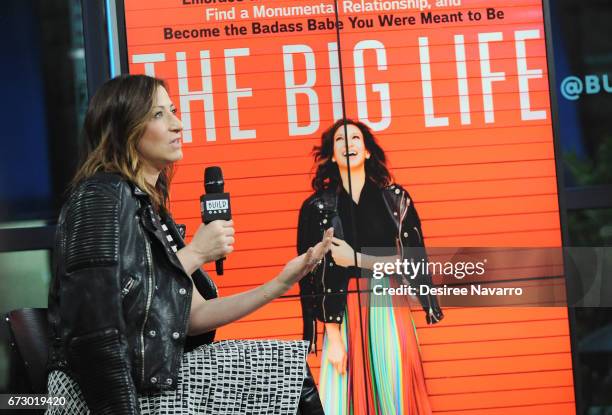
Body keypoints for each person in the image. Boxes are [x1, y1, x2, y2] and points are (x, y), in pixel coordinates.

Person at [46, 74, 333, 415]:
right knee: (288, 374)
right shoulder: (100, 197)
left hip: (153, 374)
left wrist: (282, 283)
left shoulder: (150, 210)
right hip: (109, 391)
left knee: (286, 368)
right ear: (123, 129)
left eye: (174, 111)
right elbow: (95, 324)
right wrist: (195, 253)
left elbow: (195, 315)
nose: (177, 124)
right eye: (158, 115)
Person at [297, 119, 444, 414]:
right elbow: (310, 280)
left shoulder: (395, 199)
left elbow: (411, 261)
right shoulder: (316, 208)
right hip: (341, 313)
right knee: (341, 400)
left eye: (355, 138)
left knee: (395, 391)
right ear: (332, 154)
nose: (348, 143)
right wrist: (333, 336)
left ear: (366, 152)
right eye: (340, 140)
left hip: (387, 302)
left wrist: (357, 260)